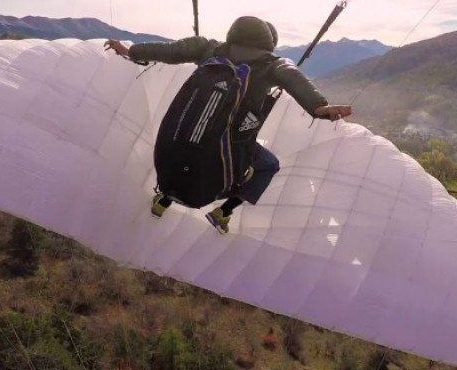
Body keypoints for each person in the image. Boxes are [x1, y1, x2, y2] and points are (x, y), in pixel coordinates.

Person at [105, 16, 352, 234]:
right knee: (267, 165)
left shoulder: (208, 49)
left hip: (173, 150)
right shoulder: (272, 65)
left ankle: (164, 199)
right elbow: (293, 77)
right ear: (268, 44)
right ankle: (224, 212)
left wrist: (130, 50)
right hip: (216, 170)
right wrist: (318, 107)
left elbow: (171, 51)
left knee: (193, 147)